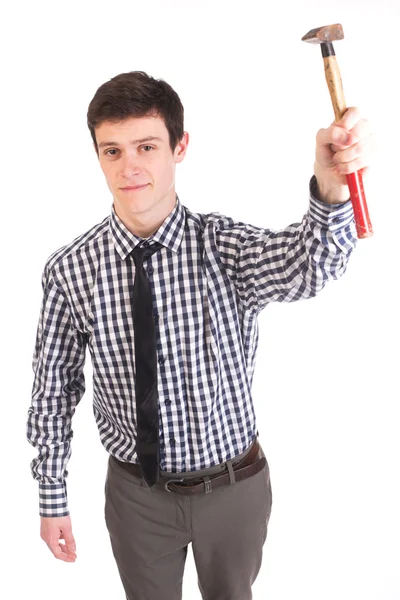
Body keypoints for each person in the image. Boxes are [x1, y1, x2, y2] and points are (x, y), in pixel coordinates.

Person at [26, 70, 372, 599]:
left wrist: (329, 185)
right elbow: (53, 389)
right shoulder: (71, 269)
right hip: (137, 495)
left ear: (179, 147)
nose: (130, 166)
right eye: (112, 151)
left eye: (146, 145)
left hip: (233, 486)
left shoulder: (225, 247)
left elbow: (311, 265)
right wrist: (52, 496)